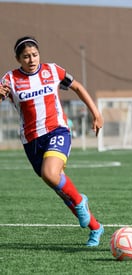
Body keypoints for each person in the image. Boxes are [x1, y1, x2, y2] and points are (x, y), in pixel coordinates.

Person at [0, 36, 104, 247]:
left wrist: (96, 113)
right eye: (26, 56)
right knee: (61, 189)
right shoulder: (10, 79)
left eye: (35, 55)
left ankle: (80, 201)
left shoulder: (53, 70)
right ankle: (96, 227)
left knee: (51, 174)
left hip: (57, 131)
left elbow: (78, 87)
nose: (31, 60)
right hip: (32, 141)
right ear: (18, 59)